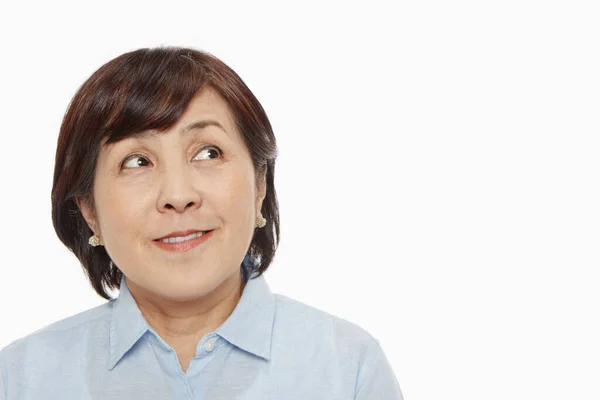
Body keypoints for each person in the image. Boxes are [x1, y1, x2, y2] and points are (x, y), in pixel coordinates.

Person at [0, 46, 403, 399]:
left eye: (208, 152)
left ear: (259, 183)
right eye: (137, 161)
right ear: (90, 211)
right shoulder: (21, 379)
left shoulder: (348, 369)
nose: (178, 195)